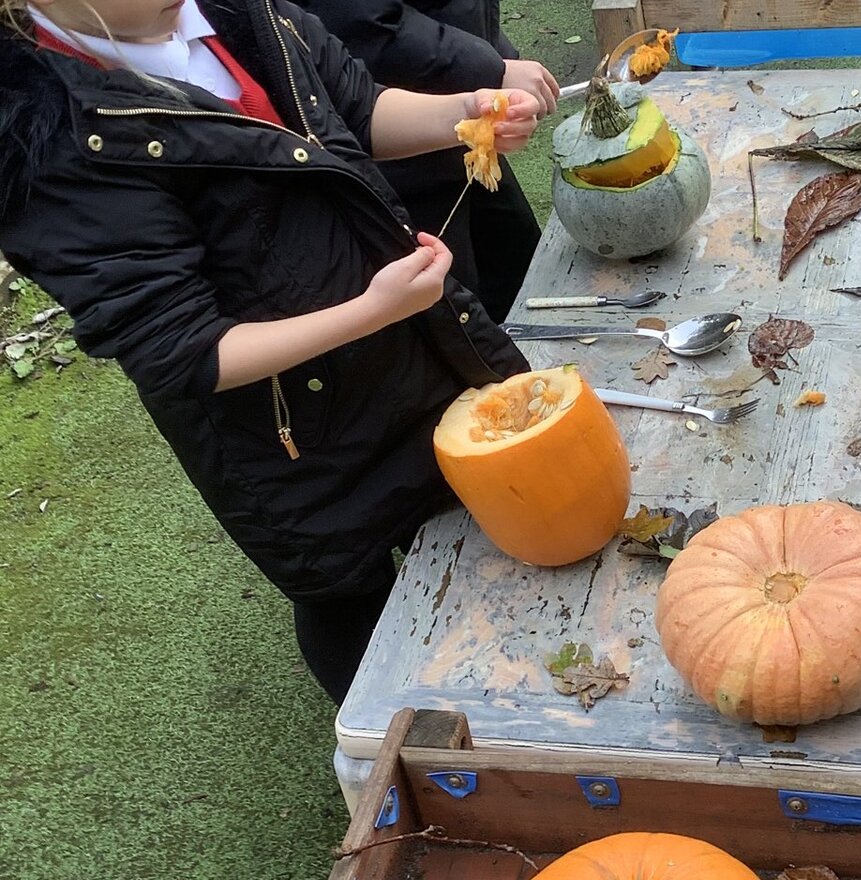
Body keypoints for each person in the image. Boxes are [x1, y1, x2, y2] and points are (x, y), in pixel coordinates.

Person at [0, 0, 542, 704]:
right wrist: (371, 310)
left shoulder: (242, 15)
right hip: (284, 433)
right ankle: (393, 748)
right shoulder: (51, 141)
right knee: (345, 582)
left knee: (448, 509)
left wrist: (465, 113)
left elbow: (355, 105)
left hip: (396, 349)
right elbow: (184, 349)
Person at [295, 0, 559, 322]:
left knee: (521, 275)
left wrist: (489, 69)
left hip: (461, 133)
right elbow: (361, 25)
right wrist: (487, 70)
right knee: (452, 310)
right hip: (404, 171)